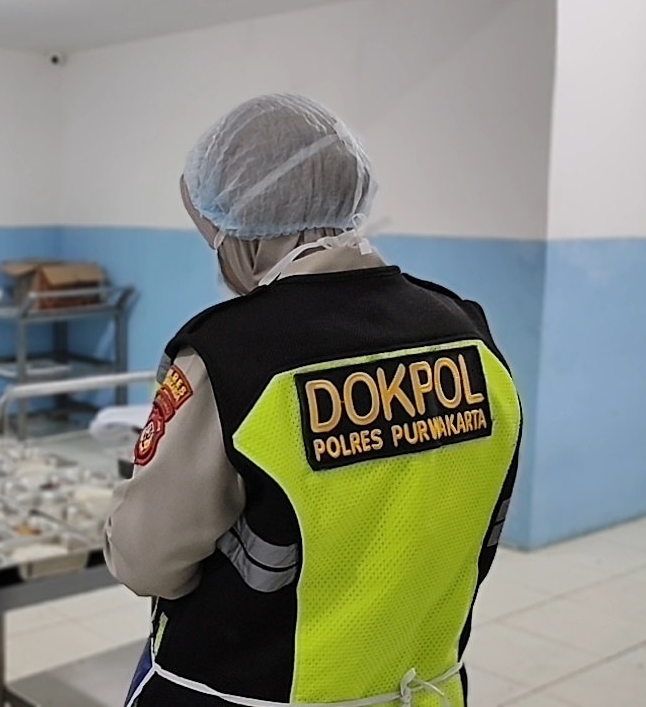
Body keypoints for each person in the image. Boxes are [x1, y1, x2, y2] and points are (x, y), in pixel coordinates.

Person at [106, 95, 522, 707]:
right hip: (421, 692)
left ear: (243, 231)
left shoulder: (233, 356)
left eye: (216, 236)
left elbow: (145, 560)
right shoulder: (468, 336)